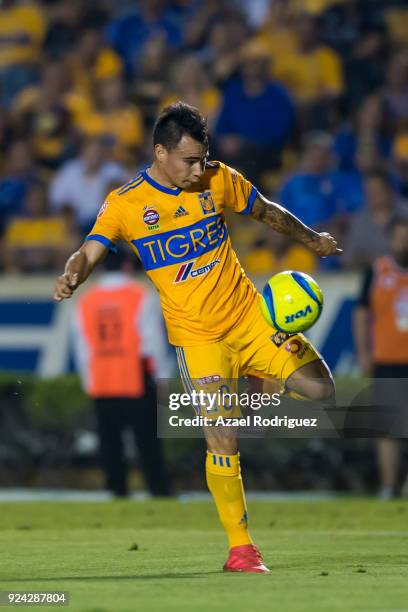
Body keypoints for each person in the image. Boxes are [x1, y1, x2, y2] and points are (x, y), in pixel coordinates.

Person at [54, 102, 341, 574]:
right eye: (188, 160)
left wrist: (312, 240)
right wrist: (73, 276)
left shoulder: (217, 178)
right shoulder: (125, 204)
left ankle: (254, 374)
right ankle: (242, 549)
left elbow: (266, 212)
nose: (197, 169)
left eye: (202, 158)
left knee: (321, 389)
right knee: (223, 438)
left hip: (250, 318)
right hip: (197, 339)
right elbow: (88, 251)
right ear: (160, 152)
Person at [73, 249, 174, 498]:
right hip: (135, 378)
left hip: (103, 380)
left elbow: (82, 346)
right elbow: (151, 342)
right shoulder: (140, 295)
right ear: (128, 265)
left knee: (110, 443)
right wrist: (163, 376)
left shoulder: (87, 300)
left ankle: (116, 490)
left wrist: (90, 381)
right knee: (147, 443)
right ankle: (158, 489)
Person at [353, 216, 408, 499]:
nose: (404, 242)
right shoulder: (376, 271)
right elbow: (362, 314)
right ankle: (388, 486)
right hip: (386, 360)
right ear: (390, 240)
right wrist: (364, 353)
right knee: (387, 429)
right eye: (399, 236)